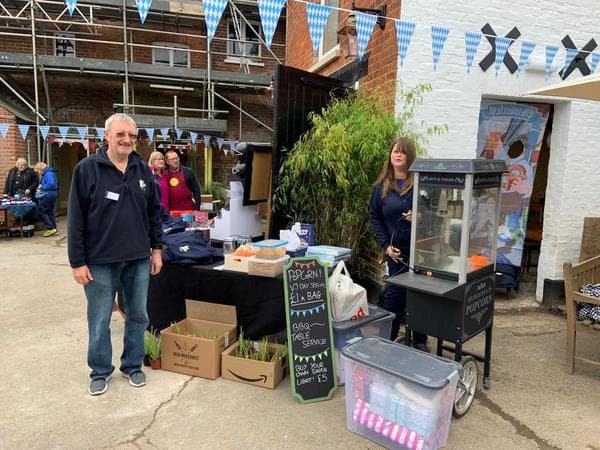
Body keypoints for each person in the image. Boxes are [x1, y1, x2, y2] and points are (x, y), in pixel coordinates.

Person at [68, 113, 163, 396]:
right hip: (99, 262)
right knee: (99, 319)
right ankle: (99, 371)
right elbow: (75, 220)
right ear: (107, 135)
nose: (126, 140)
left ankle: (133, 365)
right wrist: (77, 262)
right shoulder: (87, 170)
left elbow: (154, 213)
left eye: (131, 136)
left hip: (137, 258)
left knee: (138, 315)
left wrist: (156, 250)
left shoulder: (143, 171)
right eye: (120, 134)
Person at [369, 137, 428, 352]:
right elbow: (374, 217)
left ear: (409, 156)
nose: (398, 155)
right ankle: (386, 339)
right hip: (396, 252)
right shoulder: (381, 187)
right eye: (395, 151)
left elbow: (434, 215)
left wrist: (420, 217)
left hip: (420, 250)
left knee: (419, 294)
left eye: (402, 152)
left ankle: (420, 339)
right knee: (395, 294)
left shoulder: (420, 184)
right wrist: (385, 246)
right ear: (390, 156)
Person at [33, 162, 58, 236]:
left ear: (40, 169)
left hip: (47, 195)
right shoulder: (49, 173)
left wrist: (41, 187)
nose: (39, 173)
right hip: (51, 195)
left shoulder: (48, 174)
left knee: (41, 211)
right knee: (50, 211)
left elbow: (51, 184)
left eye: (38, 171)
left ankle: (50, 228)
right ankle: (54, 228)